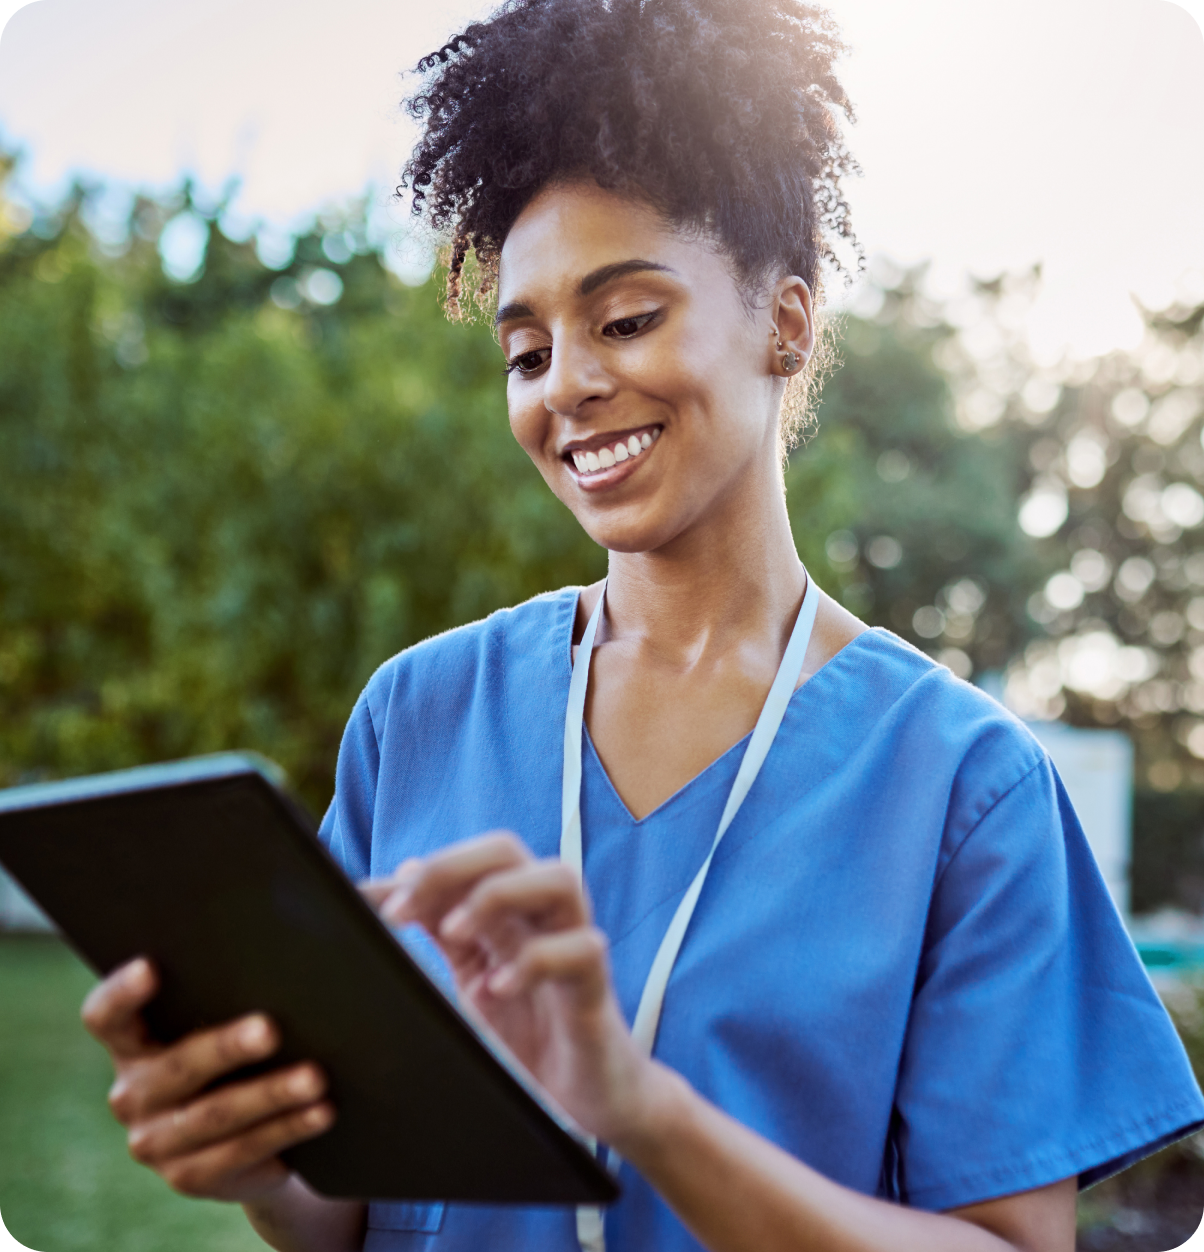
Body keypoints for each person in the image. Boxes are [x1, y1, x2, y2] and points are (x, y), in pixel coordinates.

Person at [81, 1, 1204, 1250]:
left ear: (785, 320)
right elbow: (345, 1215)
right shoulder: (418, 717)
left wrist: (641, 1110)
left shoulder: (964, 788)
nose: (564, 382)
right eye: (524, 350)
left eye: (623, 319)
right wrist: (248, 1159)